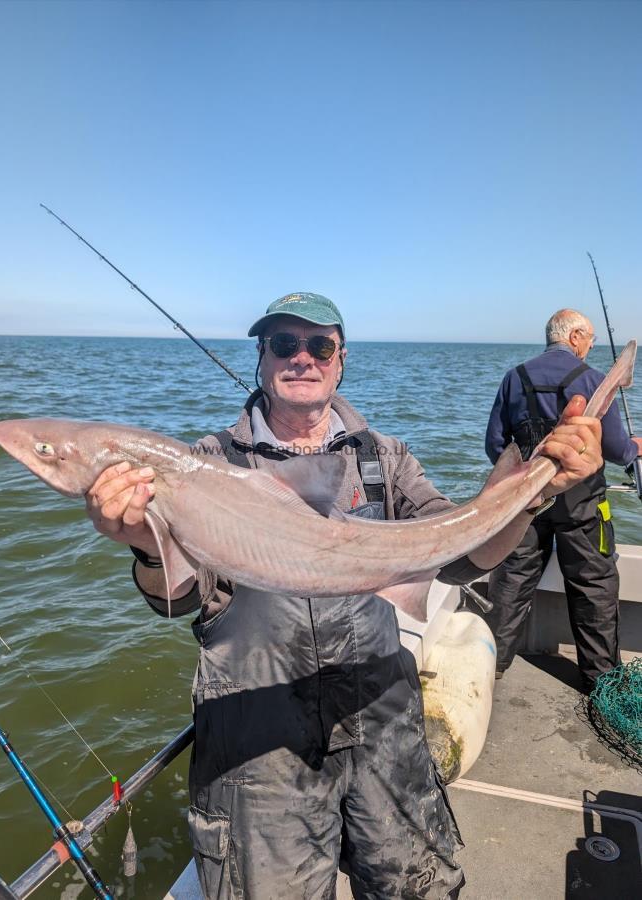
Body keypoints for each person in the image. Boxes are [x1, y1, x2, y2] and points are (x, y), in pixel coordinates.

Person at [86, 294, 604, 899]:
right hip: (260, 745)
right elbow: (175, 598)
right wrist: (147, 545)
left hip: (384, 721)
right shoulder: (207, 464)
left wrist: (534, 492)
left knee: (417, 890)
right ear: (260, 357)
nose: (301, 358)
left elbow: (467, 555)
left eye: (319, 346)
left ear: (340, 361)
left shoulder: (384, 458)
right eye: (283, 344)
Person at [485, 308, 642, 693]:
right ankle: (600, 683)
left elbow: (495, 447)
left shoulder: (514, 378)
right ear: (573, 337)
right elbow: (619, 450)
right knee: (594, 585)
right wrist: (636, 446)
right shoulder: (592, 379)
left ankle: (490, 668)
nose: (591, 345)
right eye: (588, 338)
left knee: (511, 582)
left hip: (526, 504)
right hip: (583, 506)